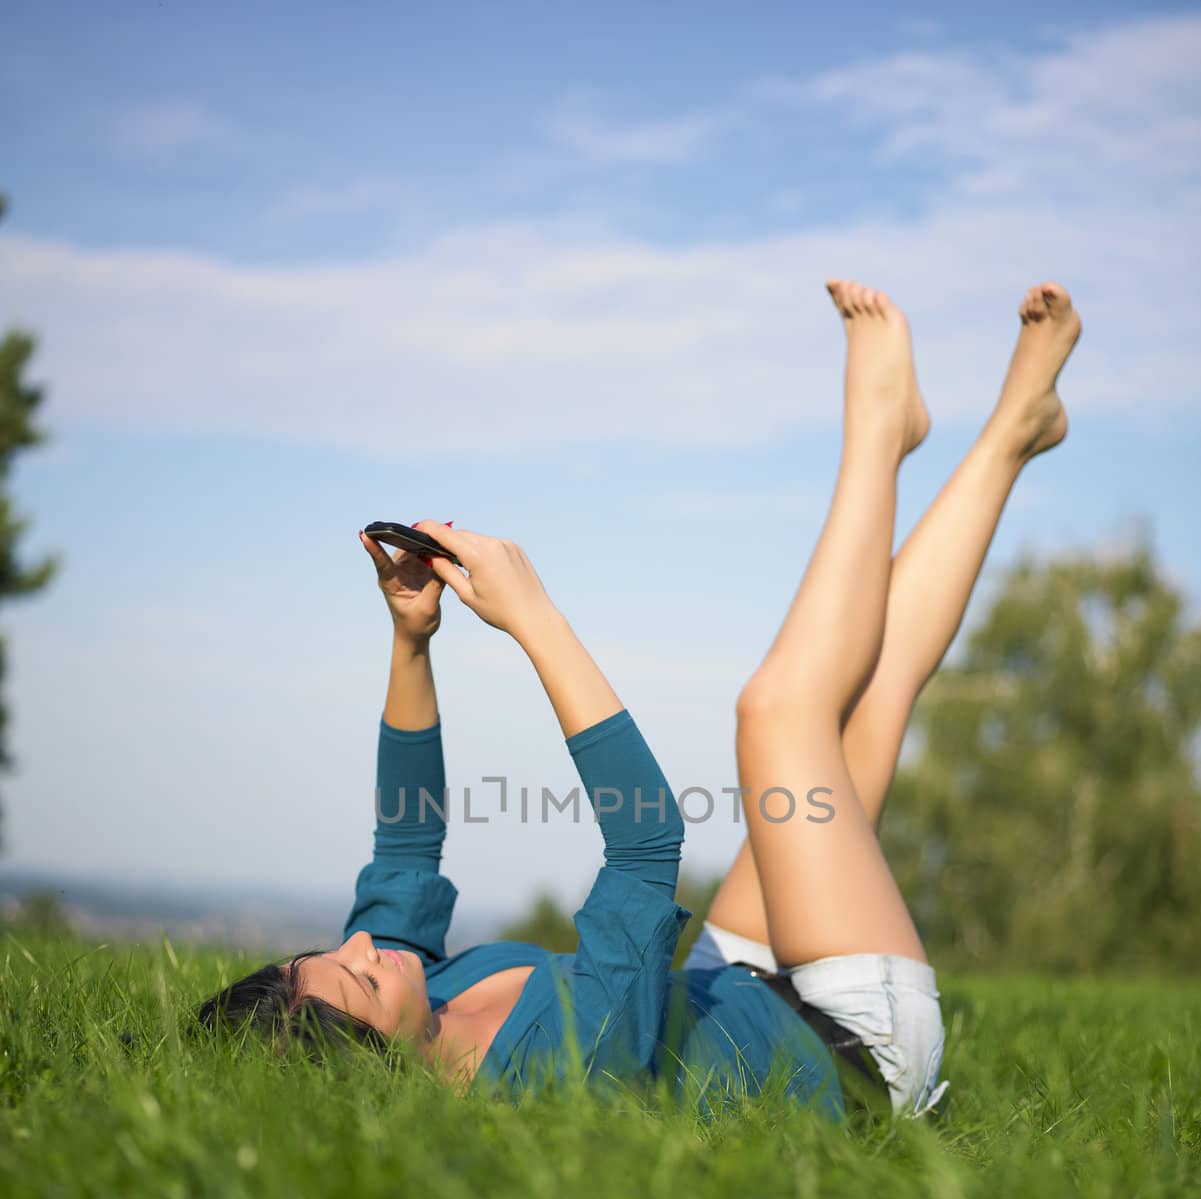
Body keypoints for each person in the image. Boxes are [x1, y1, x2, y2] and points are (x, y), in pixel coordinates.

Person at [196, 278, 1081, 1117]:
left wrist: (411, 641)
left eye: (325, 955)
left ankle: (1007, 428)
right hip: (853, 1047)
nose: (359, 947)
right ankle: (881, 433)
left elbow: (407, 838)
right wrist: (532, 615)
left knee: (867, 698)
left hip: (729, 984)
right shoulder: (559, 1075)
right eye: (356, 982)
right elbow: (647, 837)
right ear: (374, 1077)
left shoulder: (417, 987)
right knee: (779, 711)